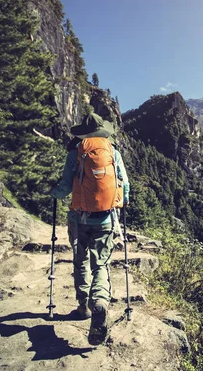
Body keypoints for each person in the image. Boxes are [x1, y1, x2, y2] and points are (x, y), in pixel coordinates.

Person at [51, 112, 130, 345]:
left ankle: (83, 307)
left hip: (79, 218)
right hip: (105, 219)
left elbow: (65, 187)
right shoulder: (113, 152)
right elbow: (124, 185)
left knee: (81, 261)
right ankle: (100, 303)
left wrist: (53, 192)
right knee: (101, 264)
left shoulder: (75, 152)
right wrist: (121, 203)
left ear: (83, 133)